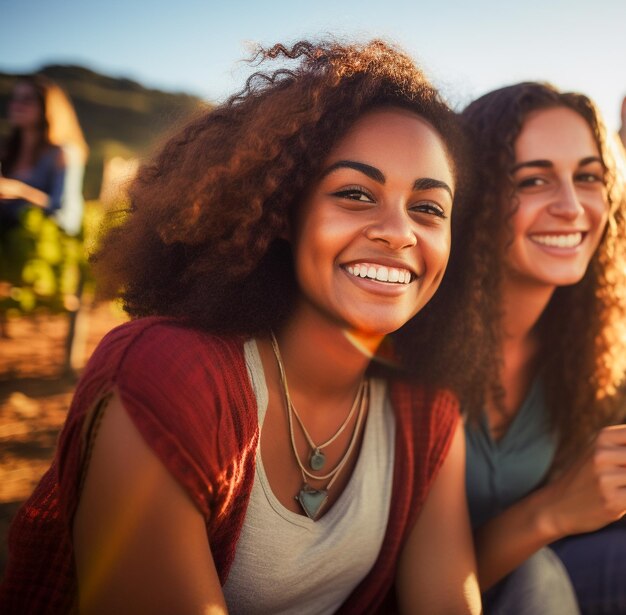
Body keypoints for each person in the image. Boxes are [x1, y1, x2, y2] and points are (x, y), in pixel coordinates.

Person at [0, 40, 481, 614]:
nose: (399, 231)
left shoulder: (427, 408)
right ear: (283, 212)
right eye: (355, 194)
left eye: (429, 208)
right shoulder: (169, 377)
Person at [457, 82, 626, 614]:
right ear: (474, 194)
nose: (572, 206)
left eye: (589, 178)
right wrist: (553, 510)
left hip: (537, 579)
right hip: (434, 596)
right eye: (533, 180)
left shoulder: (589, 348)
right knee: (537, 574)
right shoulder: (412, 341)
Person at [0, 74, 88, 236]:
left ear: (46, 107)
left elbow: (68, 219)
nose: (16, 105)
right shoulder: (6, 152)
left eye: (27, 99)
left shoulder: (64, 154)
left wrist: (20, 191)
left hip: (37, 254)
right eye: (15, 98)